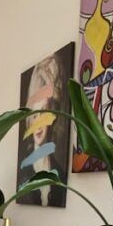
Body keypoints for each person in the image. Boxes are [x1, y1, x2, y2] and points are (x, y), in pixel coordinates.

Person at [17, 54, 67, 208]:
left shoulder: (60, 175)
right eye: (35, 115)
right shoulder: (23, 173)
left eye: (43, 116)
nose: (38, 125)